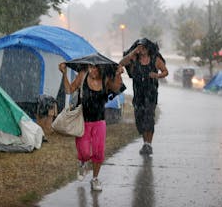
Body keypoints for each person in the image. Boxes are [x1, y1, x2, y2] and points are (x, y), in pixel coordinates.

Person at [58, 62, 124, 191]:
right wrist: (64, 73)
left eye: (95, 67)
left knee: (98, 153)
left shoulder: (105, 79)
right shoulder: (82, 75)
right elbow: (68, 90)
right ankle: (82, 163)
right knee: (84, 152)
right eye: (90, 67)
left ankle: (95, 179)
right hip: (84, 122)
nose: (92, 70)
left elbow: (117, 88)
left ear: (100, 68)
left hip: (100, 121)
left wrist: (118, 74)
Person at [119, 38, 168, 155]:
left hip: (151, 93)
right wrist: (134, 51)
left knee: (149, 117)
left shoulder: (154, 59)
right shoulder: (134, 58)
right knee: (140, 118)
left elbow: (165, 71)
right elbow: (122, 63)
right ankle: (145, 142)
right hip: (138, 94)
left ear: (149, 48)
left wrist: (157, 75)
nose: (142, 49)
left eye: (144, 47)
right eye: (140, 47)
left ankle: (148, 144)